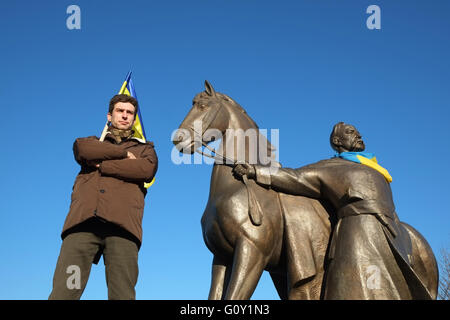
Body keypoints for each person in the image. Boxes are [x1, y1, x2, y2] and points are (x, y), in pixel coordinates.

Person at [233, 122, 432, 299]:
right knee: (358, 287)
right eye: (351, 132)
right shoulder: (331, 167)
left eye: (358, 132)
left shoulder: (376, 169)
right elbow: (296, 177)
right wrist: (255, 170)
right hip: (359, 233)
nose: (359, 135)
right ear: (337, 141)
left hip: (389, 233)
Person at [49, 94, 158, 300]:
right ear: (110, 115)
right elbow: (83, 149)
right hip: (82, 227)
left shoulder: (145, 150)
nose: (125, 116)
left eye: (129, 113)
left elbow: (145, 169)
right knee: (65, 292)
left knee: (122, 295)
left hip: (122, 230)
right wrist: (124, 156)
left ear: (134, 119)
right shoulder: (91, 142)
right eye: (120, 111)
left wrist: (103, 164)